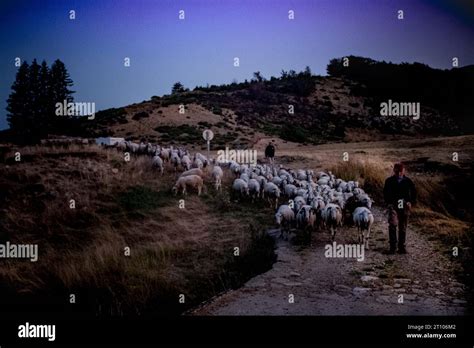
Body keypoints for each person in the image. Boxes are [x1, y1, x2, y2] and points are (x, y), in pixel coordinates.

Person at [383, 163, 416, 254]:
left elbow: (414, 193)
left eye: (400, 172)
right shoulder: (389, 181)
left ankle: (402, 247)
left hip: (404, 205)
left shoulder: (408, 181)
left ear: (403, 171)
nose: (398, 174)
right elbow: (385, 193)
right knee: (393, 225)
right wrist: (388, 203)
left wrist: (410, 202)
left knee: (403, 227)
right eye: (397, 171)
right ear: (394, 171)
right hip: (393, 205)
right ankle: (392, 247)